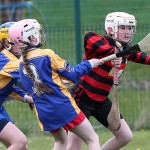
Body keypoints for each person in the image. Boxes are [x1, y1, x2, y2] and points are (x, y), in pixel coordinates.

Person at [8, 19, 105, 150]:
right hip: (63, 107)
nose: (39, 35)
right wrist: (90, 63)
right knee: (93, 139)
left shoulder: (20, 63)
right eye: (36, 33)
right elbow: (73, 74)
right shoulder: (46, 54)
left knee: (60, 142)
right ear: (30, 37)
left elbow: (43, 80)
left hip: (44, 112)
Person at [66, 12, 150, 150]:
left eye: (129, 28)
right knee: (74, 145)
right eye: (123, 28)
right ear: (111, 29)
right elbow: (90, 39)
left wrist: (122, 52)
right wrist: (115, 53)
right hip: (81, 99)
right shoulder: (97, 41)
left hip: (101, 101)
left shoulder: (126, 50)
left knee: (125, 136)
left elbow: (143, 57)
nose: (127, 32)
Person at [0, 21, 34, 150]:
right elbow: (37, 77)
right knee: (19, 141)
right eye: (20, 40)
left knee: (21, 146)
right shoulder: (9, 61)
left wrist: (27, 98)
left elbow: (9, 87)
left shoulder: (6, 57)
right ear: (8, 42)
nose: (26, 43)